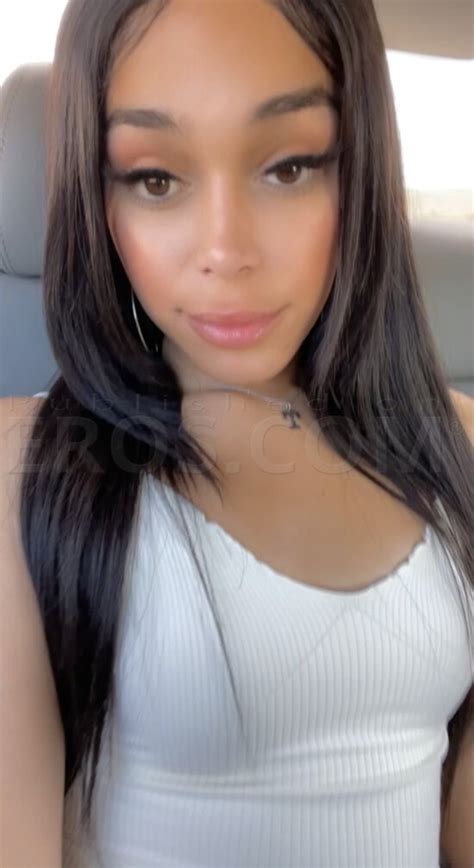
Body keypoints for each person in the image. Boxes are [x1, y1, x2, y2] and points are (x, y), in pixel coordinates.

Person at [0, 0, 472, 865]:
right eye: (154, 179)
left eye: (289, 167)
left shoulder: (461, 448)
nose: (226, 250)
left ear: (360, 164)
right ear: (96, 198)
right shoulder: (24, 471)